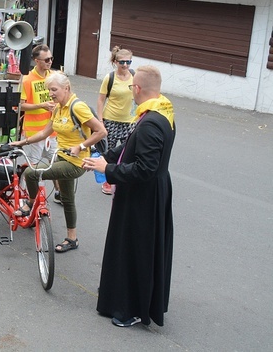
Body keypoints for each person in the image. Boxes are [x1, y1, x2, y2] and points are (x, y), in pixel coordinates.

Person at [83, 65, 175, 328]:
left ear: (137, 88)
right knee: (128, 247)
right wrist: (105, 158)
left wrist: (108, 170)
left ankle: (132, 309)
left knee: (136, 250)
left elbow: (145, 168)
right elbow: (130, 146)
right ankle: (118, 301)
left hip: (142, 197)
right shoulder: (162, 111)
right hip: (148, 192)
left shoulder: (151, 122)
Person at [12, 72, 107, 253]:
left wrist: (80, 146)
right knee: (67, 198)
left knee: (30, 173)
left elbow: (101, 131)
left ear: (67, 88)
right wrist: (22, 142)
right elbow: (44, 133)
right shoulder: (58, 108)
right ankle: (72, 239)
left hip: (75, 162)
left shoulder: (77, 107)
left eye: (54, 89)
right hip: (61, 156)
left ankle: (30, 204)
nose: (51, 93)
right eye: (49, 90)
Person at [19, 44, 61, 203]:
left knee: (56, 164)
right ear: (37, 61)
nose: (50, 62)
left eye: (51, 58)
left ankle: (58, 193)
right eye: (47, 59)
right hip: (34, 132)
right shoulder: (28, 79)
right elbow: (20, 106)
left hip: (53, 131)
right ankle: (31, 197)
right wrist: (41, 105)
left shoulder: (54, 77)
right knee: (33, 168)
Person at [96, 47, 135, 195]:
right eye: (122, 62)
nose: (125, 65)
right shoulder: (109, 78)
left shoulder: (134, 76)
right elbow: (101, 100)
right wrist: (100, 121)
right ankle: (108, 180)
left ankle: (124, 179)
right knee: (110, 152)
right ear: (115, 62)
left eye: (128, 62)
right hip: (111, 119)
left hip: (129, 121)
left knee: (128, 151)